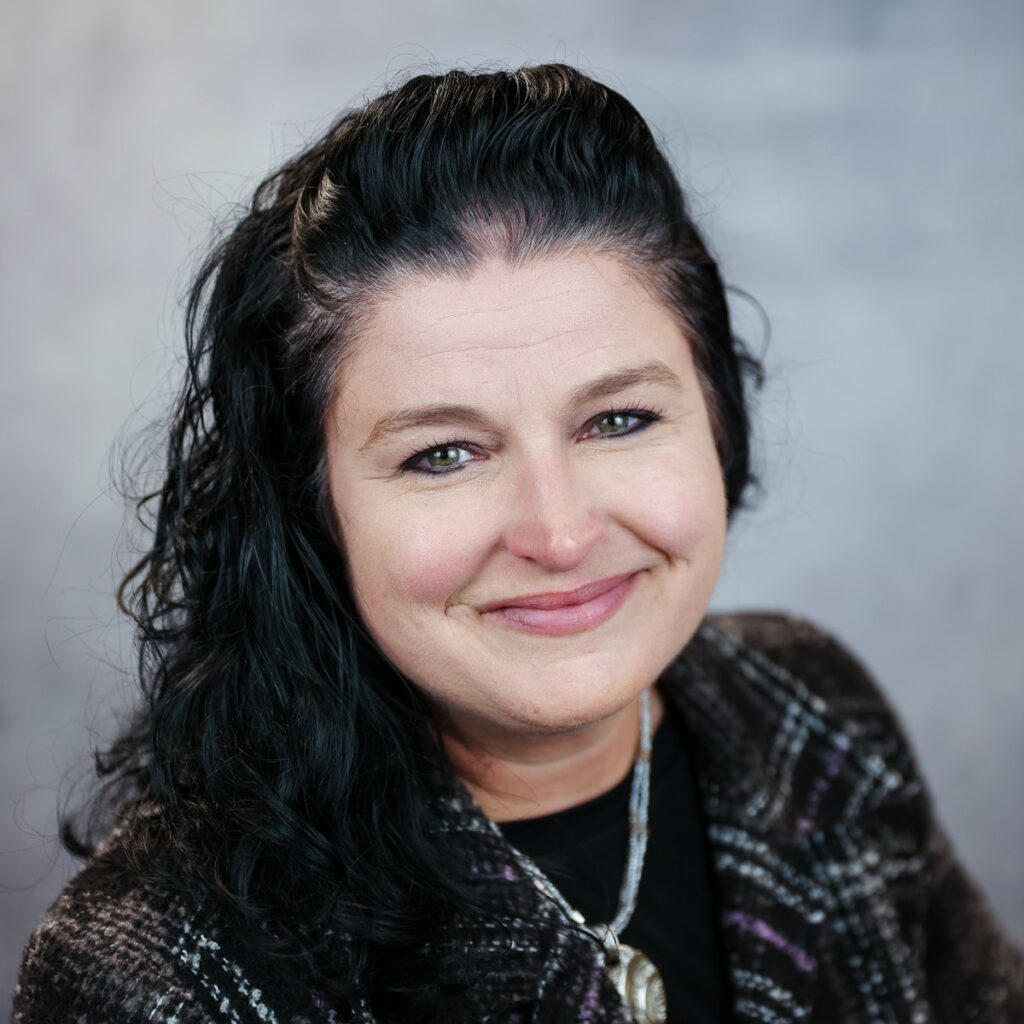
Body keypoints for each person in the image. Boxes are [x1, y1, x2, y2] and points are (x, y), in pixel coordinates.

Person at [12, 63, 1023, 1024]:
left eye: (619, 420)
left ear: (718, 422)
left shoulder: (811, 712)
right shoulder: (153, 972)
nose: (559, 530)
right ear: (309, 506)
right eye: (444, 453)